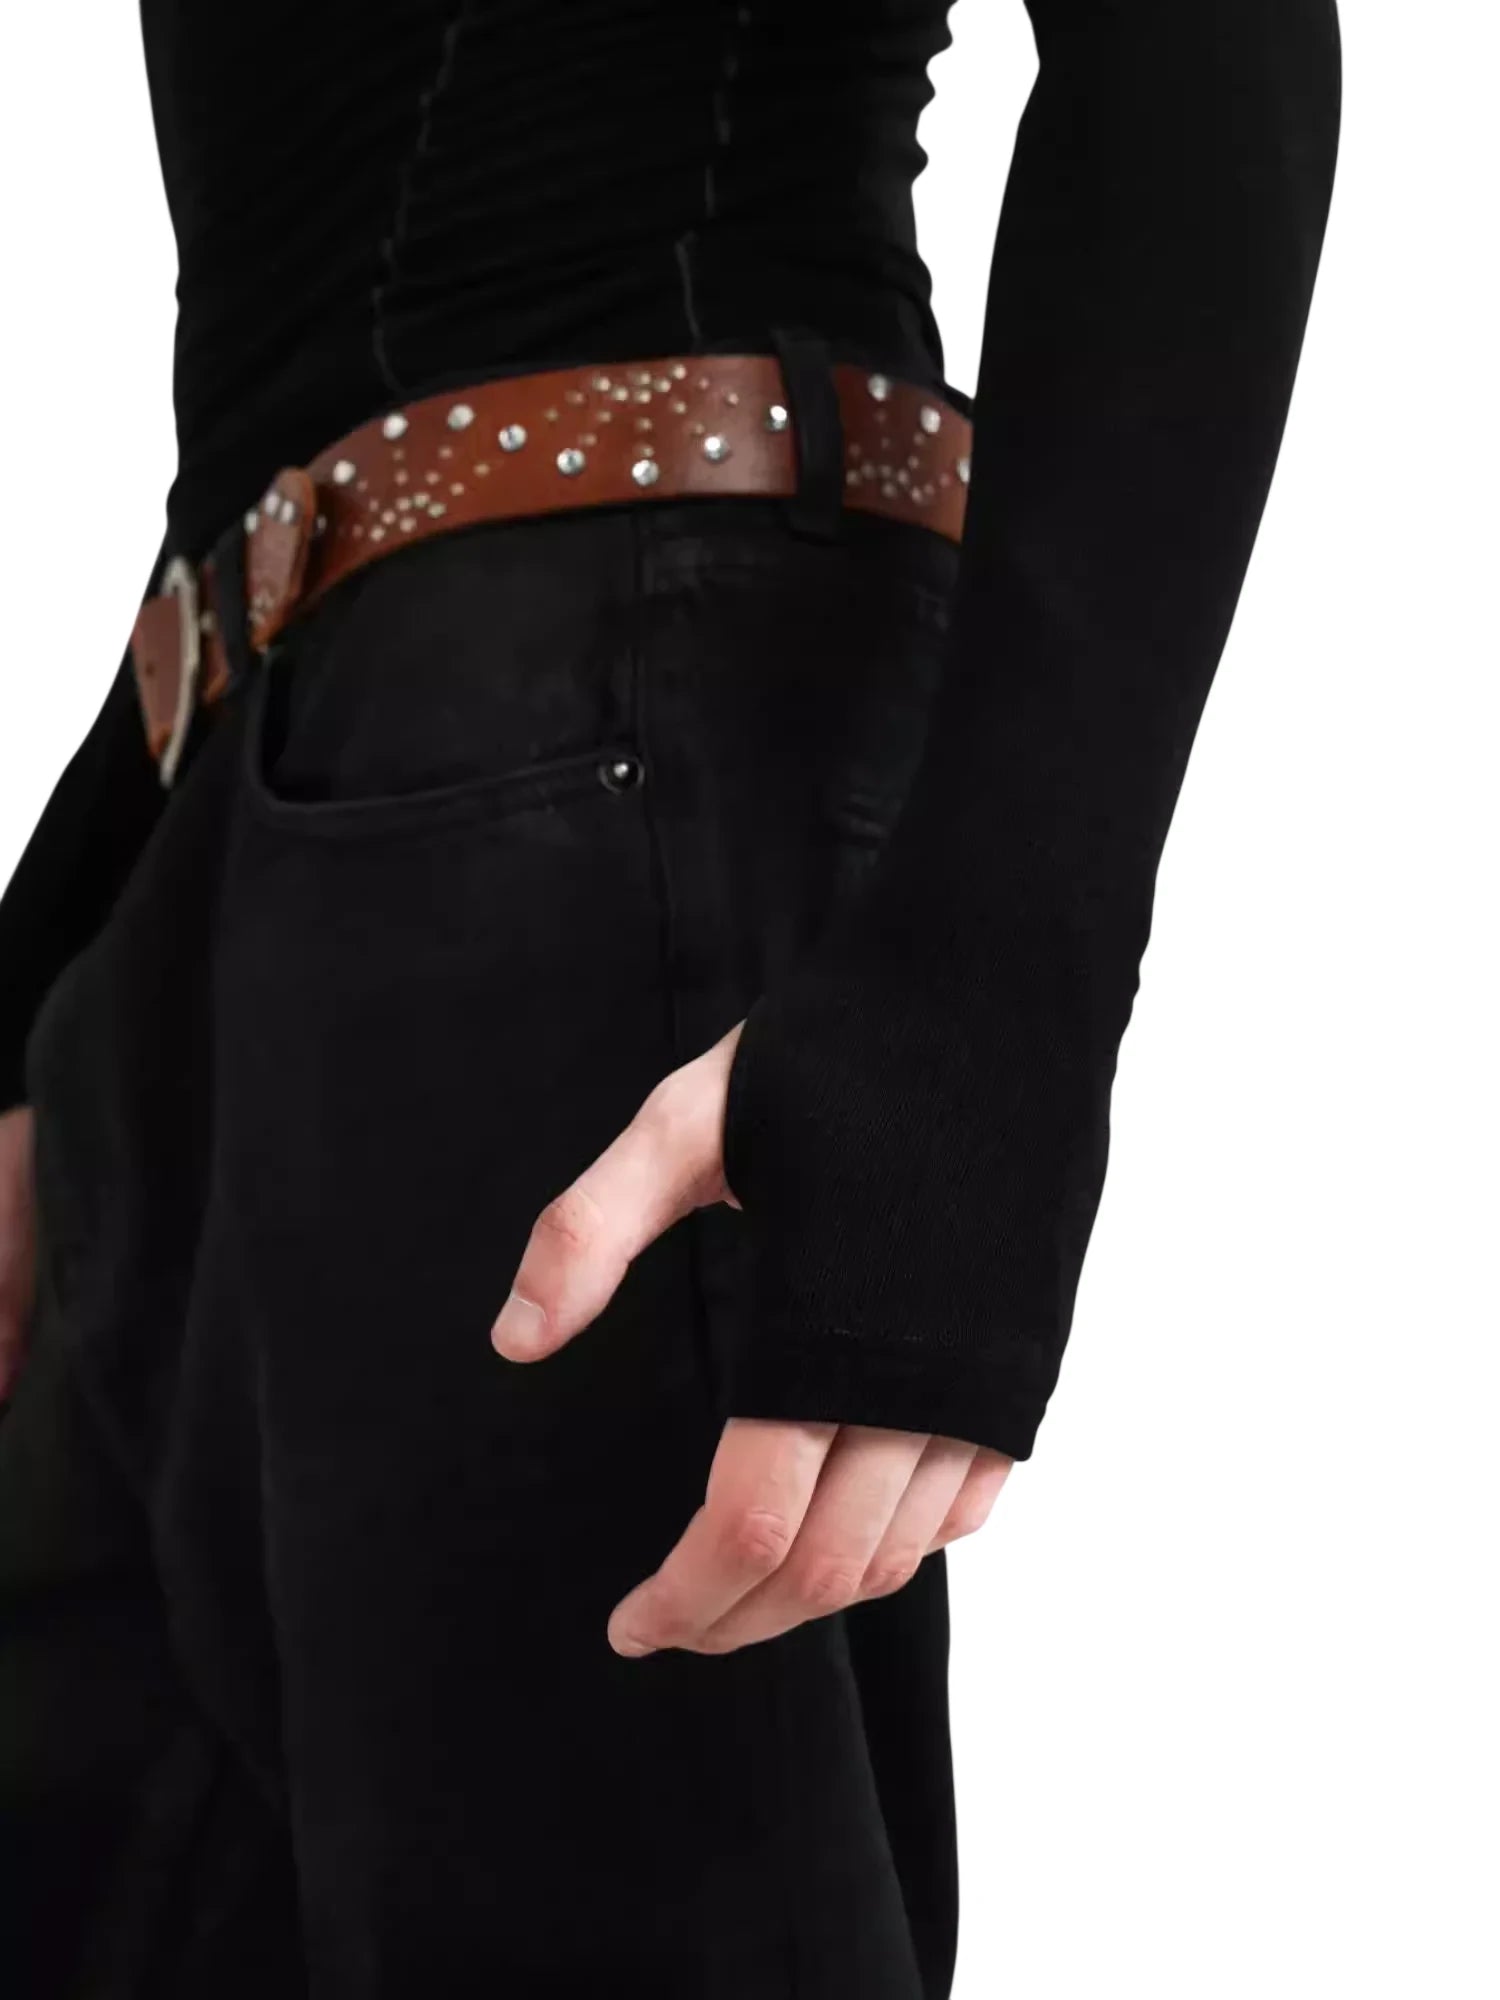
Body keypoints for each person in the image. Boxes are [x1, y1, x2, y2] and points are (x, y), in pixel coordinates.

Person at [0, 2, 1341, 1994]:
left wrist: (983, 1028)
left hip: (602, 751)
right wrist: (52, 992)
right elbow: (312, 328)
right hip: (246, 839)